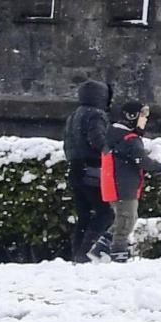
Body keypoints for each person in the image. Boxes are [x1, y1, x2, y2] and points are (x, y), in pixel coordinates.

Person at [100, 101, 161, 263]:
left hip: (117, 183)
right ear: (132, 117)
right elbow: (141, 160)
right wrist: (159, 167)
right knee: (126, 220)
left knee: (126, 217)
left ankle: (102, 247)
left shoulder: (115, 135)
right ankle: (118, 253)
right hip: (123, 185)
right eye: (142, 116)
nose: (145, 120)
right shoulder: (130, 139)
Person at [60, 79, 113, 262]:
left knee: (84, 214)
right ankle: (88, 252)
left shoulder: (73, 115)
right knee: (104, 212)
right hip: (92, 169)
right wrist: (111, 150)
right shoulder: (96, 114)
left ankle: (77, 253)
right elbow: (97, 139)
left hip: (75, 168)